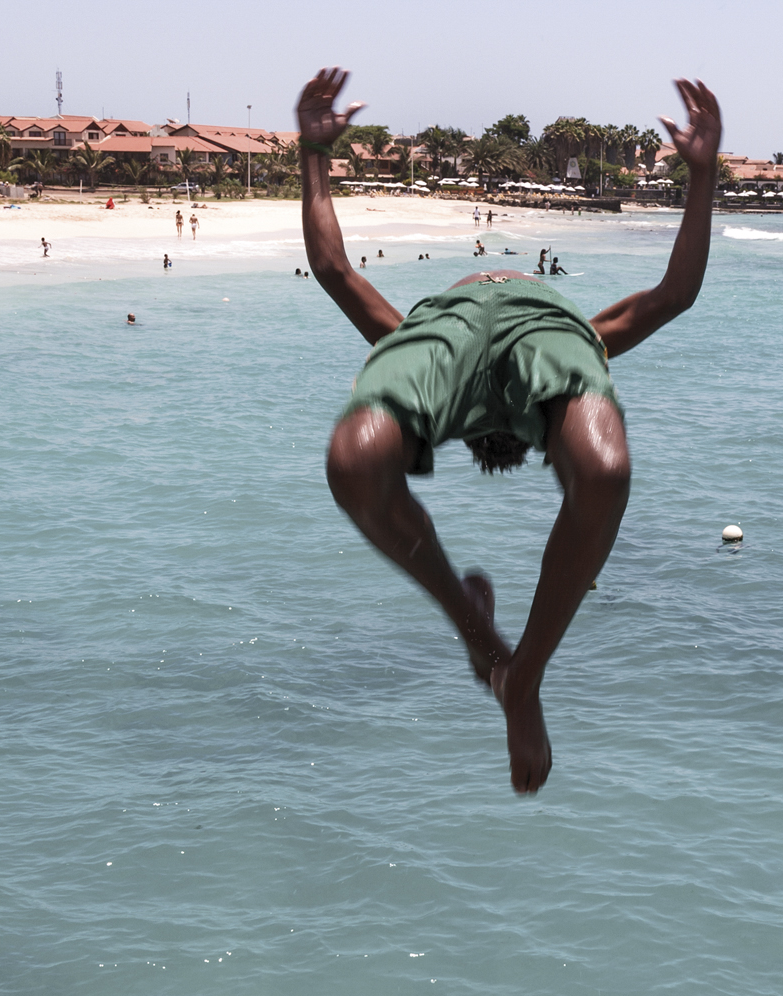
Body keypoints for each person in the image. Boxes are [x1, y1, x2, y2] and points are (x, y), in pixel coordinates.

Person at [300, 66, 720, 794]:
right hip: (540, 335)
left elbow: (337, 270)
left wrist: (312, 158)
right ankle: (493, 647)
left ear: (466, 420)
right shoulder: (580, 331)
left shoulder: (416, 331)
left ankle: (506, 664)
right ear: (526, 423)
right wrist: (702, 176)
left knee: (355, 458)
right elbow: (675, 294)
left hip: (450, 331)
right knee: (605, 471)